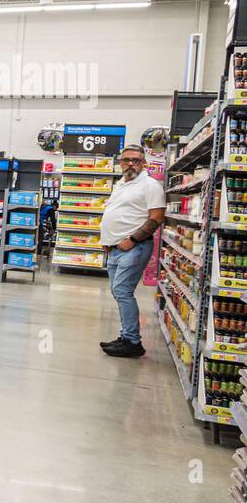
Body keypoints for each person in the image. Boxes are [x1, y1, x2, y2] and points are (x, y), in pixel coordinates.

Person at [99, 144, 165, 358]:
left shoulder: (150, 185)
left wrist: (133, 239)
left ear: (143, 163)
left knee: (123, 292)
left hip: (134, 247)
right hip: (115, 249)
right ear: (120, 163)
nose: (130, 164)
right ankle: (126, 336)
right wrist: (107, 240)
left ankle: (133, 342)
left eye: (135, 160)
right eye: (126, 160)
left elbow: (156, 217)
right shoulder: (121, 184)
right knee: (119, 293)